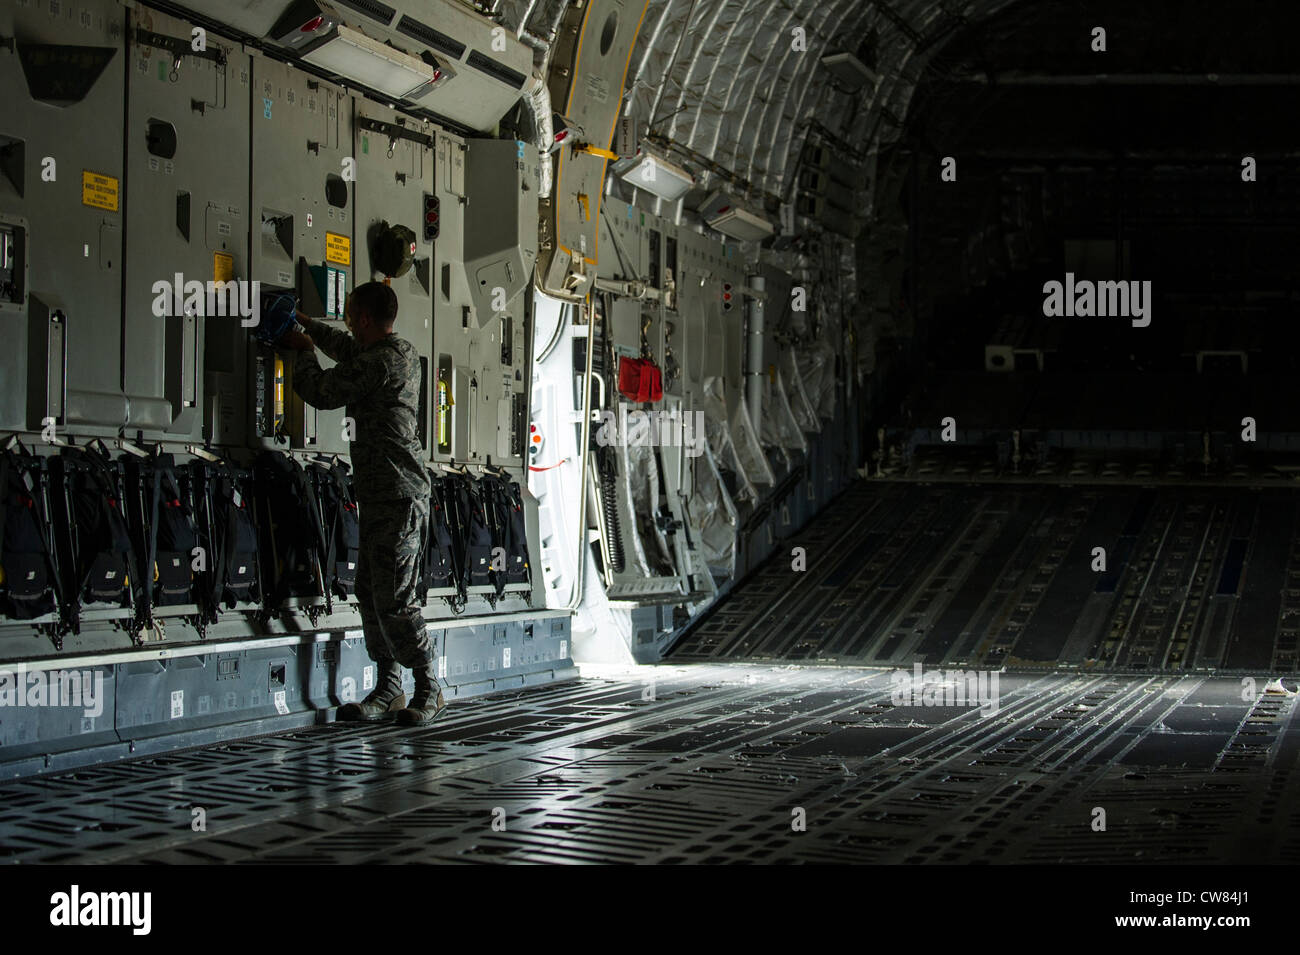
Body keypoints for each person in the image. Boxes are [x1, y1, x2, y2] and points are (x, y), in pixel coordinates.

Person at [277, 282, 445, 725]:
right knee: (371, 593)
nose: (348, 320)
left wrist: (303, 349)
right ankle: (389, 687)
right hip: (379, 495)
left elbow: (322, 391)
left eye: (351, 314)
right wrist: (310, 325)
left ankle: (429, 686)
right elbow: (349, 348)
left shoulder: (383, 361)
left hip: (398, 495)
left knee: (396, 599)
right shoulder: (394, 351)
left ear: (365, 318)